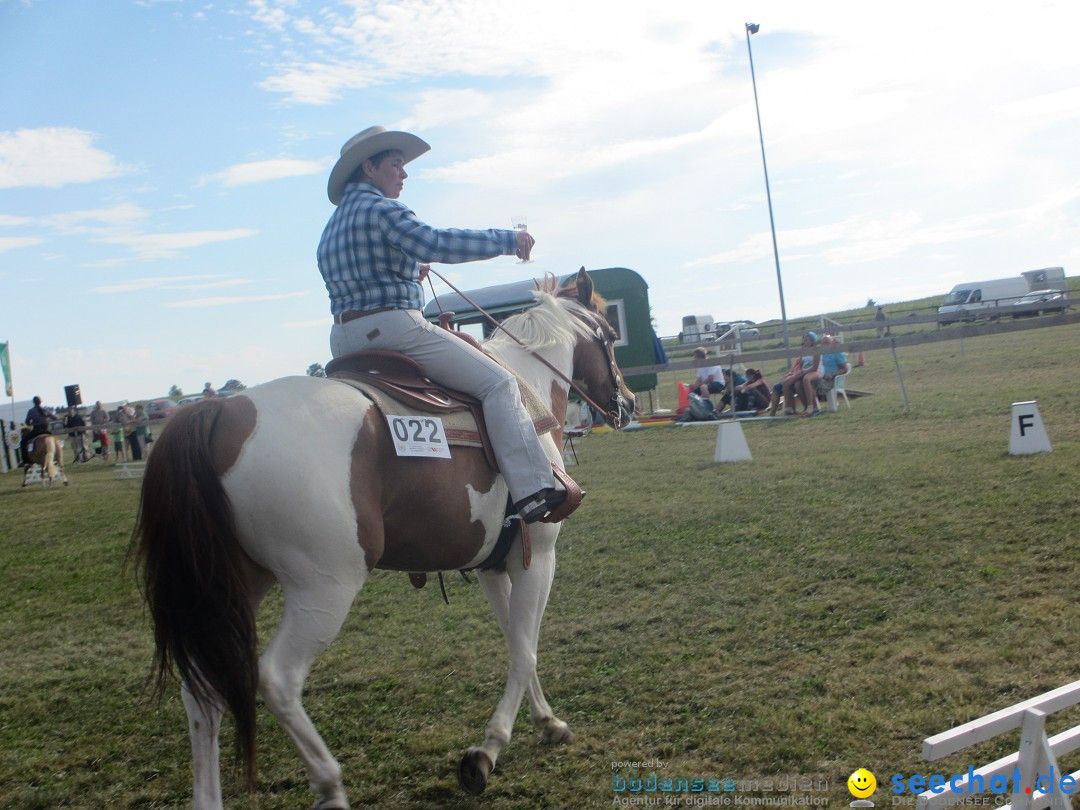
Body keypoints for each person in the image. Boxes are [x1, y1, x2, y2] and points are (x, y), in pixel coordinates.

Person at [316, 125, 573, 523]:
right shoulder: (384, 210)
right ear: (369, 167)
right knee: (498, 383)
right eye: (396, 165)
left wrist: (405, 272)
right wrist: (507, 240)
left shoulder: (331, 228)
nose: (404, 174)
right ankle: (534, 490)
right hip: (394, 328)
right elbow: (436, 242)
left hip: (342, 339)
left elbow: (366, 275)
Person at [768, 332, 820, 416]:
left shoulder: (816, 351)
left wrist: (802, 373)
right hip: (802, 372)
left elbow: (815, 367)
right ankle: (789, 408)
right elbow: (801, 366)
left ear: (813, 341)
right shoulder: (803, 352)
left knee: (798, 384)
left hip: (810, 373)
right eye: (805, 339)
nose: (806, 341)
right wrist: (797, 373)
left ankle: (810, 407)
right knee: (785, 383)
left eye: (809, 339)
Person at [807, 335, 851, 409]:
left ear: (831, 343)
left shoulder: (837, 353)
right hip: (819, 377)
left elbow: (845, 369)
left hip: (831, 380)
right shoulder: (819, 354)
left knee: (810, 385)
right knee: (804, 384)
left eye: (827, 342)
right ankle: (811, 408)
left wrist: (833, 374)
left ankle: (814, 408)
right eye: (823, 343)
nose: (825, 345)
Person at [20, 395, 52, 465]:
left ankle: (26, 460)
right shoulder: (45, 409)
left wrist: (31, 422)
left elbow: (27, 422)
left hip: (37, 431)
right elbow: (55, 417)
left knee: (23, 442)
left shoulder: (31, 411)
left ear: (33, 402)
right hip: (46, 430)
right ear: (40, 402)